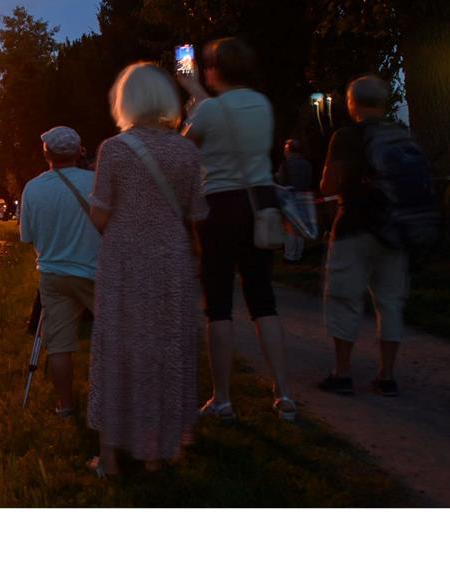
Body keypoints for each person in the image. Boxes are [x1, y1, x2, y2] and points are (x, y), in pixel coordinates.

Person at [86, 62, 208, 479]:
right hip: (172, 263)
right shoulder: (187, 151)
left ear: (126, 101)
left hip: (125, 264)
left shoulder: (115, 150)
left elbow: (100, 215)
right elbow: (196, 212)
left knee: (120, 350)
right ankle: (160, 453)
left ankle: (112, 459)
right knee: (167, 349)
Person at [178, 37, 296, 422]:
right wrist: (198, 94)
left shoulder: (209, 110)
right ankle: (283, 393)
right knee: (263, 298)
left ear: (213, 70)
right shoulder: (262, 104)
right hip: (259, 202)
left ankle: (223, 398)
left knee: (219, 305)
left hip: (218, 205)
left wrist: (192, 95)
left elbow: (185, 148)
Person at [319, 76, 415, 396]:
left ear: (351, 104)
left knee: (345, 298)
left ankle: (342, 373)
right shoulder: (401, 135)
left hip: (354, 228)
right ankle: (387, 375)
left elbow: (328, 185)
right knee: (389, 302)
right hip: (394, 230)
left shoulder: (345, 137)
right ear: (383, 103)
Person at [19, 125, 100, 418]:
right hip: (95, 272)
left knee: (59, 344)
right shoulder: (97, 182)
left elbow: (27, 237)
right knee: (114, 334)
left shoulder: (33, 188)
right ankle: (115, 399)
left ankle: (65, 405)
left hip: (53, 276)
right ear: (80, 152)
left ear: (47, 154)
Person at [276, 139, 314, 262]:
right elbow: (310, 179)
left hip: (290, 199)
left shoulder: (286, 164)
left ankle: (290, 256)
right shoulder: (307, 163)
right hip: (304, 197)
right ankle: (299, 254)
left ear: (289, 150)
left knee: (290, 228)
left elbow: (282, 182)